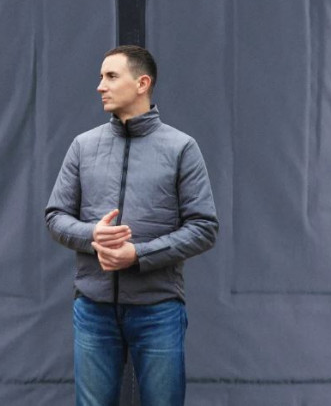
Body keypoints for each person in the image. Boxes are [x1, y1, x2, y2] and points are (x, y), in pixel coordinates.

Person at [45, 45, 218, 406]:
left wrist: (137, 254)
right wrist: (92, 235)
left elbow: (203, 227)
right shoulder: (83, 146)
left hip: (158, 309)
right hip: (93, 308)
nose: (100, 86)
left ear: (142, 83)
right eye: (100, 77)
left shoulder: (181, 148)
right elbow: (55, 216)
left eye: (111, 76)